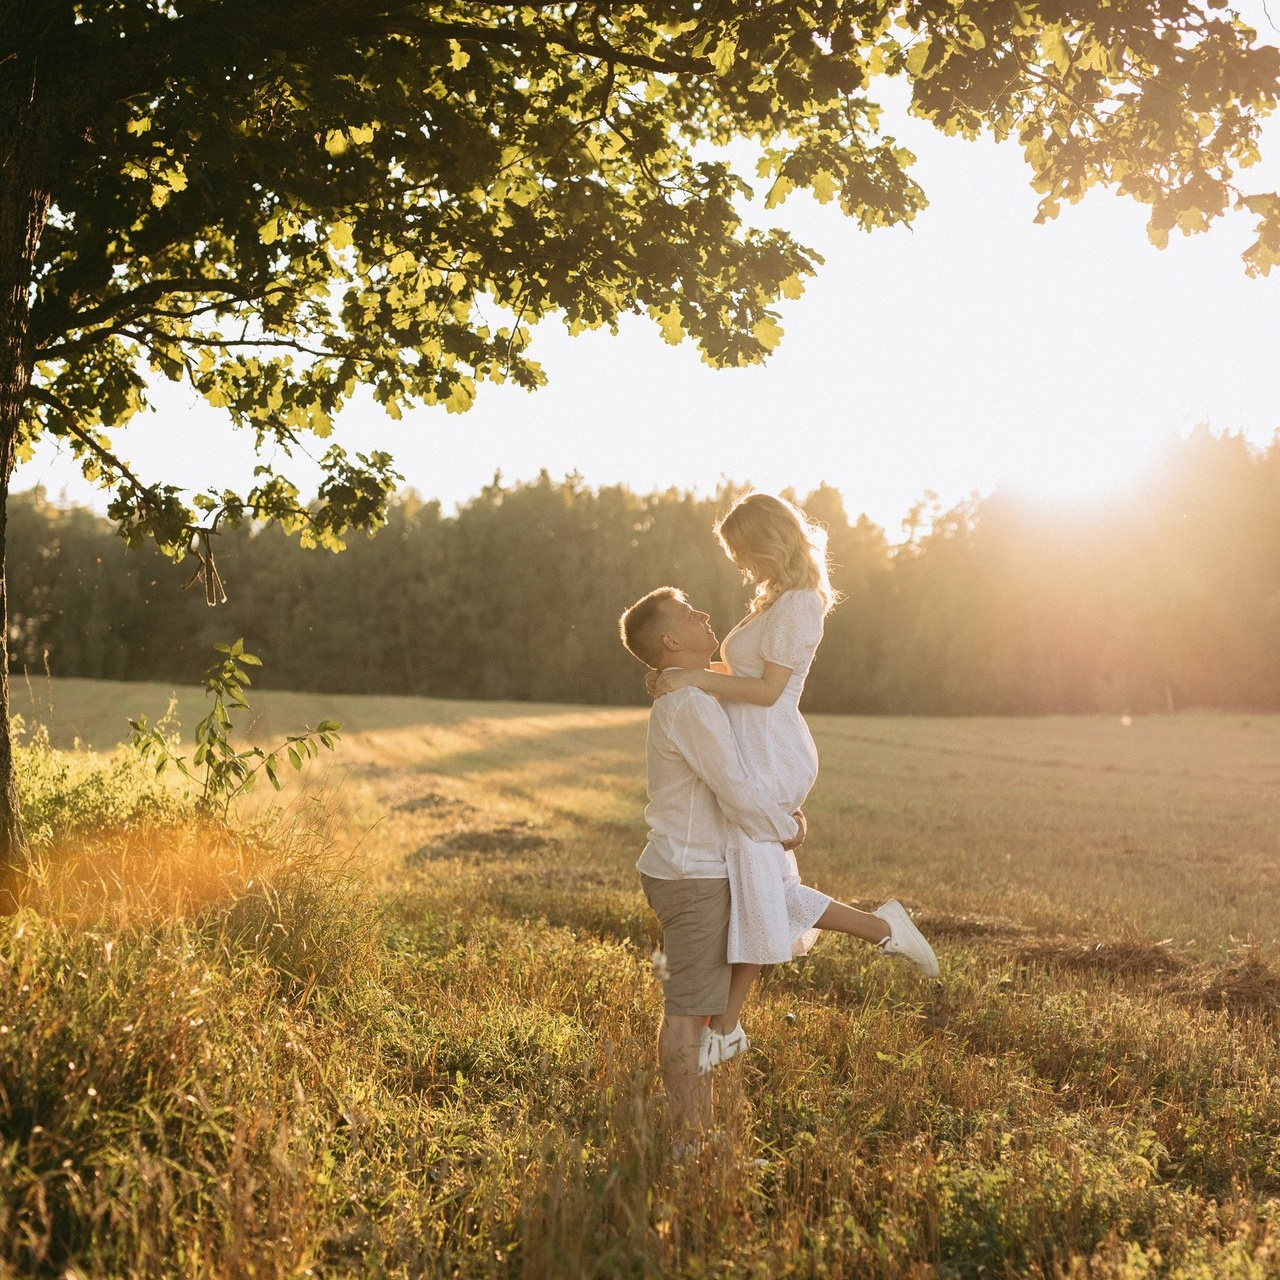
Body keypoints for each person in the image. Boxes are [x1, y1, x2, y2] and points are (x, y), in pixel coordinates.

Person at [650, 493, 938, 1070]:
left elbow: (767, 692)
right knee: (762, 885)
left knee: (758, 882)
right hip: (751, 745)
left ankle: (728, 1028)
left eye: (742, 551)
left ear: (766, 540)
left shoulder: (802, 603)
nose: (740, 564)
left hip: (772, 750)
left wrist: (691, 678)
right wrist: (691, 674)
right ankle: (882, 929)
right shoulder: (773, 599)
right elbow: (745, 673)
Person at [619, 585, 809, 1150]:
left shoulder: (692, 694)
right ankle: (687, 1140)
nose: (705, 614)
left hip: (695, 869)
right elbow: (734, 788)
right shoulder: (692, 705)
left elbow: (746, 682)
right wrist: (788, 829)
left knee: (699, 1008)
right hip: (692, 876)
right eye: (689, 613)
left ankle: (694, 1128)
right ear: (672, 639)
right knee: (689, 1013)